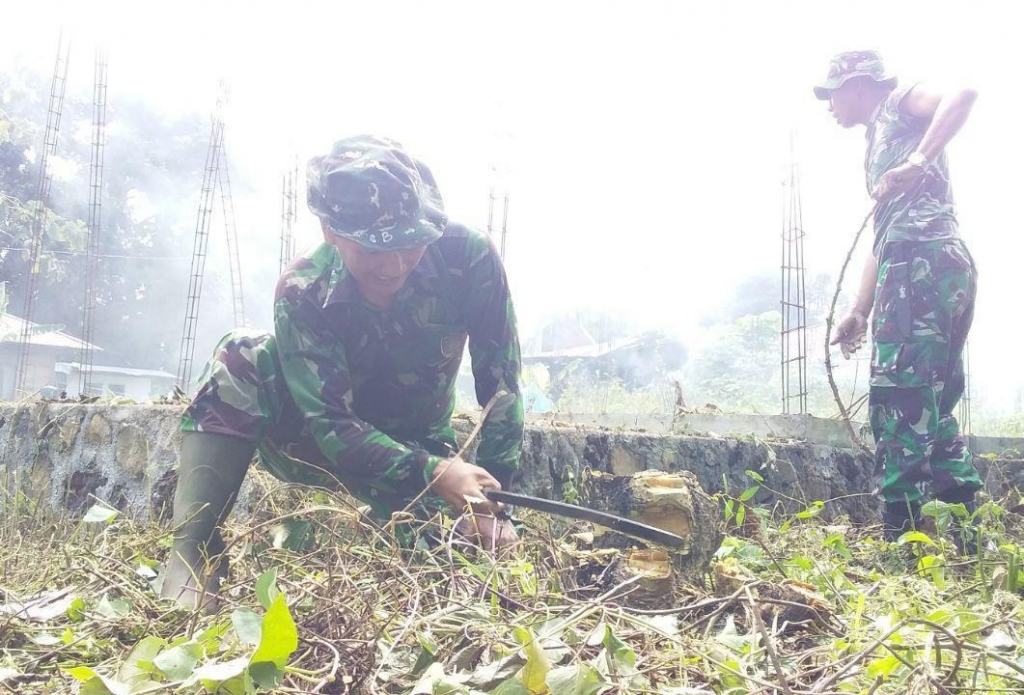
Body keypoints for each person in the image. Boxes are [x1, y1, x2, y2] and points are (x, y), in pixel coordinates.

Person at [162, 135, 524, 608]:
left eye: (410, 244)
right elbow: (334, 427)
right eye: (373, 248)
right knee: (243, 354)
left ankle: (351, 530)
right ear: (331, 231)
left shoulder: (469, 259)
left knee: (438, 567)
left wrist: (493, 508)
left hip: (417, 453)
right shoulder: (302, 292)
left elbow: (503, 388)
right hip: (322, 447)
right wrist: (436, 472)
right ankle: (193, 553)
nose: (394, 265)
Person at [818, 51, 983, 545]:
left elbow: (963, 93)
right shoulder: (876, 141)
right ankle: (970, 538)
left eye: (832, 93)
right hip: (919, 264)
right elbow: (881, 237)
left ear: (858, 84)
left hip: (921, 266)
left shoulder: (897, 103)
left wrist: (918, 158)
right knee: (930, 401)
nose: (829, 106)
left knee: (899, 400)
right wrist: (859, 310)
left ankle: (901, 547)